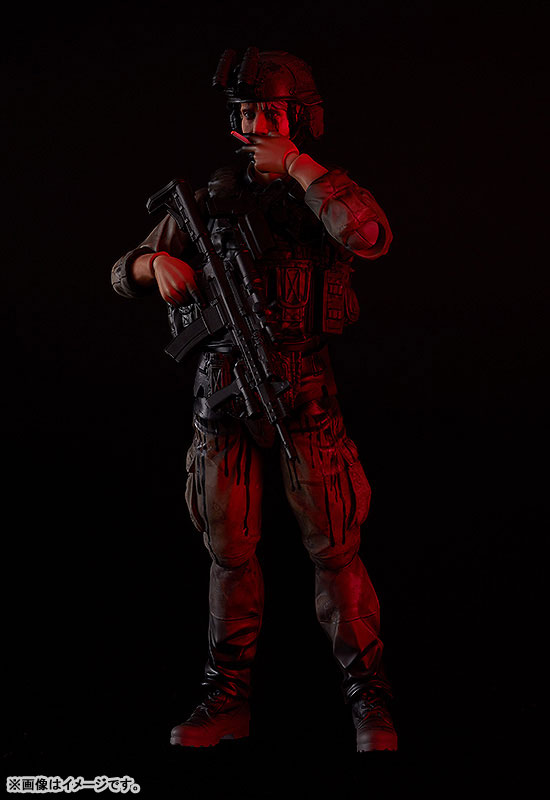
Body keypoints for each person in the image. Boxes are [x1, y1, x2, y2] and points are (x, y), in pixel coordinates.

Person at [111, 48, 397, 752]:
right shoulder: (210, 198)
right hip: (222, 391)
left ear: (300, 117)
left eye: (268, 113)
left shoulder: (325, 191)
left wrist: (299, 169)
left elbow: (369, 237)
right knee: (230, 550)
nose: (252, 126)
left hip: (302, 387)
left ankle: (368, 696)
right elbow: (121, 271)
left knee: (335, 545)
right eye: (244, 113)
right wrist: (154, 263)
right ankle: (227, 695)